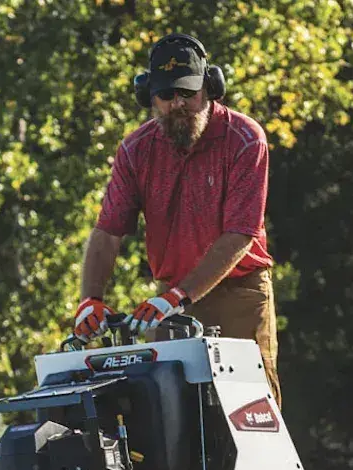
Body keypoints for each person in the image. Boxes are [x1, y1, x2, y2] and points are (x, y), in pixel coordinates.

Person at [72, 32, 281, 406]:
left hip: (240, 292)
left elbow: (240, 234)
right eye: (167, 96)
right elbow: (108, 231)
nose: (178, 104)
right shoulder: (135, 150)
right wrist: (90, 299)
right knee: (168, 411)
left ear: (210, 88)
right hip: (169, 299)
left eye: (188, 93)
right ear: (149, 97)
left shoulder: (245, 139)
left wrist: (178, 296)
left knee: (251, 408)